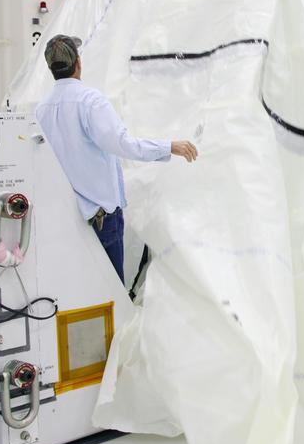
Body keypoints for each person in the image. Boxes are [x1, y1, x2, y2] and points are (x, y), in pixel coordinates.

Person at [34, 35, 198, 282]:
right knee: (110, 297)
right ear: (78, 62)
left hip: (66, 220)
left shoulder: (40, 110)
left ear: (50, 68)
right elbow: (124, 144)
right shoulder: (90, 102)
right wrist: (169, 147)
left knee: (79, 292)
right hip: (101, 221)